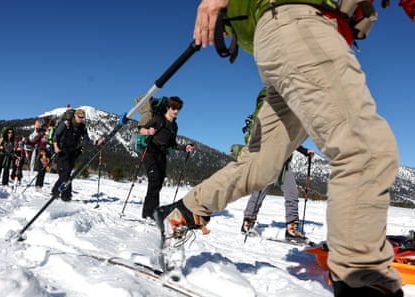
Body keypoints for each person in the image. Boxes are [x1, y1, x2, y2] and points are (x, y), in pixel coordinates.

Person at [153, 1, 403, 296]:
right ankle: (361, 281)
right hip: (301, 25)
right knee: (365, 147)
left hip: (289, 37)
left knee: (259, 164)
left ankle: (183, 212)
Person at [241, 145, 314, 243]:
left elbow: (291, 140)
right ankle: (248, 223)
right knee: (259, 193)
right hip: (268, 162)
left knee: (292, 192)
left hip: (284, 164)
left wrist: (304, 151)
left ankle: (291, 229)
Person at [138, 96, 194, 219]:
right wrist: (148, 132)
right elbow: (141, 129)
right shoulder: (158, 119)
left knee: (159, 182)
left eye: (178, 109)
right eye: (174, 108)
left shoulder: (174, 126)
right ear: (168, 107)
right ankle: (148, 214)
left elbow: (172, 144)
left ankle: (154, 211)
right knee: (154, 179)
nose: (176, 111)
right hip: (150, 151)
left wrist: (185, 148)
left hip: (162, 154)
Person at [51, 108, 102, 201]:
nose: (81, 119)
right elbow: (56, 136)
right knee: (65, 174)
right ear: (75, 115)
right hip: (62, 151)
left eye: (82, 117)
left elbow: (86, 139)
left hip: (72, 152)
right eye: (79, 117)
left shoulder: (82, 127)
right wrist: (55, 147)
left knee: (67, 175)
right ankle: (62, 195)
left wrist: (95, 142)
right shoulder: (66, 123)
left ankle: (60, 193)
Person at [26, 118, 56, 190]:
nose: (49, 127)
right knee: (41, 169)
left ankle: (40, 185)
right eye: (48, 126)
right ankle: (38, 185)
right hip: (42, 152)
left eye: (51, 126)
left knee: (44, 169)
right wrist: (27, 141)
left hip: (49, 153)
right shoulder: (41, 133)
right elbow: (33, 142)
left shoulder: (53, 134)